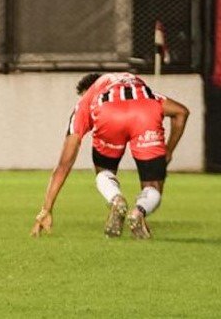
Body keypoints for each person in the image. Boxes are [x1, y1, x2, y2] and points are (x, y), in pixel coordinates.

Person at [30, 72, 189, 239]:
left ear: (88, 91)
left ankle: (116, 199)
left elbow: (64, 164)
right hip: (145, 112)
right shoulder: (141, 91)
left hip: (109, 115)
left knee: (104, 173)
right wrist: (168, 151)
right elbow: (182, 112)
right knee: (153, 185)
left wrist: (46, 209)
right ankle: (139, 211)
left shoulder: (88, 101)